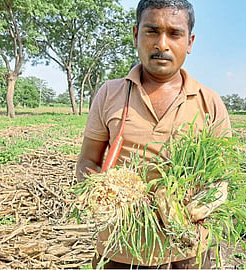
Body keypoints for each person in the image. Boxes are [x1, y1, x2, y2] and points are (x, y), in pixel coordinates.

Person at [76, 0, 231, 268]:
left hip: (188, 251)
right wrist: (103, 195)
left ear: (189, 42)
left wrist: (205, 201)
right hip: (120, 250)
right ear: (136, 35)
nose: (162, 44)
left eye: (174, 33)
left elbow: (223, 175)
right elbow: (87, 161)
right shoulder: (110, 94)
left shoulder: (209, 101)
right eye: (152, 31)